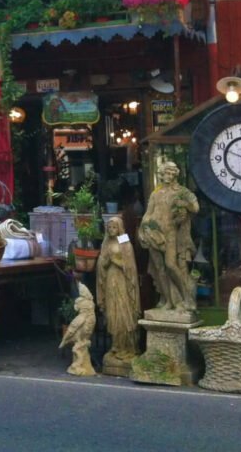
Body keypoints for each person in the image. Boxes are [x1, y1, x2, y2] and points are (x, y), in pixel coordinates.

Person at [138, 160, 200, 313]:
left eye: (173, 173)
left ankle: (187, 298)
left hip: (170, 233)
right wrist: (143, 229)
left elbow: (196, 208)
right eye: (167, 172)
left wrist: (184, 204)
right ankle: (168, 301)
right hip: (154, 233)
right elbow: (148, 213)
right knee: (160, 268)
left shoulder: (182, 192)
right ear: (162, 173)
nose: (170, 176)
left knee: (171, 265)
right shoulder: (155, 193)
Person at [97, 215, 141, 363]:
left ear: (120, 228)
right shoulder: (106, 243)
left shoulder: (125, 243)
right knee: (112, 313)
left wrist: (114, 260)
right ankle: (115, 345)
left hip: (122, 281)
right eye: (109, 227)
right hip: (110, 281)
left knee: (123, 312)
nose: (111, 230)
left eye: (114, 227)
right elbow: (101, 263)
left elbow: (129, 266)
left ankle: (128, 347)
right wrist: (103, 263)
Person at [58, 283, 97, 376]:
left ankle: (83, 365)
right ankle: (77, 365)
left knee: (83, 341)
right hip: (78, 336)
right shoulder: (80, 318)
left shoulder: (90, 307)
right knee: (77, 344)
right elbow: (71, 330)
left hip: (87, 329)